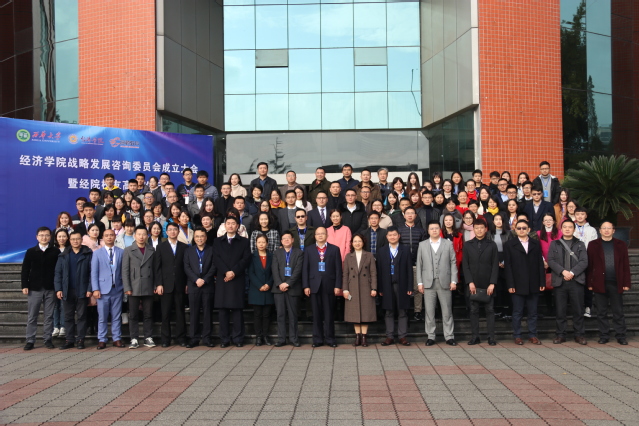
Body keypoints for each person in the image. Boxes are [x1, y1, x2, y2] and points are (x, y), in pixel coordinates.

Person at [587, 222, 630, 345]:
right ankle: (604, 335)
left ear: (613, 230)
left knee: (618, 311)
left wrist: (626, 282)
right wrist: (589, 283)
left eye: (609, 228)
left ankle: (621, 336)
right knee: (601, 312)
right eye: (604, 228)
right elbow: (590, 266)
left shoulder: (621, 244)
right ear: (600, 230)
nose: (606, 230)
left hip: (616, 282)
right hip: (599, 282)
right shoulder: (593, 245)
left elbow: (625, 265)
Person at [416, 221, 458, 346]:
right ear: (428, 231)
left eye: (436, 228)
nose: (434, 230)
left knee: (447, 311)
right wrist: (419, 282)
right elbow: (419, 264)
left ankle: (449, 336)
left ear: (440, 230)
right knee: (429, 311)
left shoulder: (448, 244)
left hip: (445, 281)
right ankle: (431, 336)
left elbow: (453, 262)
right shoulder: (422, 245)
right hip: (428, 282)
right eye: (431, 228)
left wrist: (453, 280)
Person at [547, 219, 588, 345]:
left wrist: (572, 273)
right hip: (560, 281)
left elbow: (584, 261)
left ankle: (579, 334)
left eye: (570, 227)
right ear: (561, 229)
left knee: (578, 310)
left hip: (576, 281)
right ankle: (560, 334)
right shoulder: (555, 244)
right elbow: (551, 260)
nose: (567, 229)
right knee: (560, 310)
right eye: (565, 227)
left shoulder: (580, 244)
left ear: (574, 229)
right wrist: (563, 272)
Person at [504, 219, 545, 345]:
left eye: (524, 228)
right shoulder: (509, 244)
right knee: (517, 312)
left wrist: (542, 282)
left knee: (533, 312)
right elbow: (508, 266)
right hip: (517, 283)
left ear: (528, 230)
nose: (521, 230)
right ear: (515, 230)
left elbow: (540, 264)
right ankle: (517, 335)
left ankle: (532, 335)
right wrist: (510, 284)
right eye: (519, 228)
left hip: (533, 282)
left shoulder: (535, 243)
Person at [212, 216, 252, 347]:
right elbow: (216, 259)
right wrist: (226, 272)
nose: (230, 226)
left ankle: (238, 338)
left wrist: (233, 272)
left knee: (237, 311)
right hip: (223, 279)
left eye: (233, 223)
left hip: (237, 278)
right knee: (223, 311)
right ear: (224, 226)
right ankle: (224, 339)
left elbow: (246, 259)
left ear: (237, 226)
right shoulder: (217, 241)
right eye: (228, 223)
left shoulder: (244, 242)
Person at [122, 225, 161, 349]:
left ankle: (148, 337)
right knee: (133, 314)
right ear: (134, 236)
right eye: (139, 234)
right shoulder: (128, 250)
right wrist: (127, 287)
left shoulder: (151, 250)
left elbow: (155, 269)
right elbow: (125, 271)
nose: (141, 237)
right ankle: (134, 338)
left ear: (147, 236)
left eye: (144, 234)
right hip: (133, 286)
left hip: (148, 284)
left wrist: (155, 285)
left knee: (148, 314)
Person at [303, 227, 342, 347]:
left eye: (322, 233)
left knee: (329, 314)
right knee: (316, 314)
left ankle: (330, 339)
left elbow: (338, 269)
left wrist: (338, 285)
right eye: (318, 234)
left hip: (329, 285)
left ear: (327, 235)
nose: (320, 236)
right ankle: (317, 339)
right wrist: (306, 285)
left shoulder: (334, 249)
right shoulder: (309, 249)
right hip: (314, 285)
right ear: (314, 236)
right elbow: (305, 269)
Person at [22, 227, 59, 350]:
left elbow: (58, 270)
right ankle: (30, 340)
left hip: (50, 287)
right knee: (32, 316)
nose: (44, 237)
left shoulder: (55, 251)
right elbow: (25, 269)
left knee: (49, 315)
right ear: (37, 237)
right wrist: (24, 285)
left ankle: (47, 339)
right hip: (34, 288)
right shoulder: (31, 251)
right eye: (41, 235)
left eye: (47, 235)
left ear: (50, 237)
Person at [462, 219, 499, 345]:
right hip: (473, 283)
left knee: (490, 310)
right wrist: (469, 282)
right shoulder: (468, 245)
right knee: (473, 311)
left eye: (481, 228)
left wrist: (492, 283)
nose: (479, 230)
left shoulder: (492, 245)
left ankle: (491, 337)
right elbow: (465, 265)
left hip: (488, 283)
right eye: (476, 228)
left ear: (486, 229)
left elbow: (495, 265)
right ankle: (475, 336)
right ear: (473, 229)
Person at [54, 231, 93, 350]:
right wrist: (58, 289)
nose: (75, 241)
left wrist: (89, 288)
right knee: (68, 317)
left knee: (82, 316)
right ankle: (69, 340)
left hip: (82, 290)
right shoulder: (64, 255)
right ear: (69, 241)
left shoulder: (88, 254)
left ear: (81, 240)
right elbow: (58, 273)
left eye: (77, 239)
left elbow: (92, 273)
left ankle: (80, 340)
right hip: (67, 290)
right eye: (73, 239)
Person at [377, 226, 412, 346]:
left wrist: (410, 286)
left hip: (402, 285)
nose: (392, 237)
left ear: (399, 236)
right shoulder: (381, 251)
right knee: (388, 311)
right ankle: (389, 336)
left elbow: (409, 270)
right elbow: (379, 271)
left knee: (402, 311)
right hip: (387, 285)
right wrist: (380, 288)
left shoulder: (405, 250)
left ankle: (402, 336)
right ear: (387, 237)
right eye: (390, 235)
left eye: (394, 235)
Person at [91, 229, 126, 349]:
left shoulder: (121, 252)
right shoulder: (97, 253)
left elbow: (124, 270)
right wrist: (95, 289)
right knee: (102, 317)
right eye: (106, 235)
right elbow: (94, 273)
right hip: (102, 289)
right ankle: (102, 339)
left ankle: (117, 338)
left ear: (115, 237)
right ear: (103, 238)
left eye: (111, 235)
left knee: (116, 316)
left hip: (117, 288)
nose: (109, 237)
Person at [342, 234, 377, 347]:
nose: (357, 243)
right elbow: (345, 274)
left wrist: (374, 288)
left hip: (366, 287)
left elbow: (373, 273)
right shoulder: (348, 256)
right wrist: (345, 289)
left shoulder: (369, 255)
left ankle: (364, 337)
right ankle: (357, 336)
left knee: (365, 313)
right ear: (352, 243)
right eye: (355, 241)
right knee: (354, 313)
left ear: (363, 242)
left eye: (359, 241)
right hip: (352, 287)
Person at [184, 226, 216, 348]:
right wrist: (196, 279)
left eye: (202, 236)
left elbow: (214, 266)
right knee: (194, 313)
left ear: (206, 237)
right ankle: (194, 338)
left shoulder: (212, 250)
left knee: (208, 312)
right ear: (194, 238)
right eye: (197, 236)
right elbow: (187, 267)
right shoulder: (189, 251)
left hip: (207, 285)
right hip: (194, 285)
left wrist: (205, 279)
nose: (199, 238)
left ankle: (207, 338)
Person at [272, 231, 304, 347]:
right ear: (281, 241)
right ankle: (281, 339)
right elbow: (274, 269)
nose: (286, 240)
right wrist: (280, 283)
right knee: (280, 315)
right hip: (279, 289)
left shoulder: (299, 253)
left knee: (293, 315)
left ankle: (293, 338)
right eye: (284, 238)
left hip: (293, 288)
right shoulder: (277, 253)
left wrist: (288, 283)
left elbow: (298, 270)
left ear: (292, 240)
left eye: (288, 238)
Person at [248, 234, 275, 346]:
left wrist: (268, 284)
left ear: (267, 243)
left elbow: (274, 272)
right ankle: (258, 337)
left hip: (268, 289)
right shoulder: (252, 257)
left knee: (266, 315)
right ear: (256, 243)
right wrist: (259, 285)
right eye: (259, 242)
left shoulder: (272, 256)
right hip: (256, 290)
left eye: (263, 242)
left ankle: (265, 336)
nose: (261, 244)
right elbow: (250, 273)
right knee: (257, 315)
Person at [574, 207, 598, 317]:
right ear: (574, 215)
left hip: (588, 260)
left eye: (582, 214)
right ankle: (577, 309)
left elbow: (594, 246)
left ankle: (588, 307)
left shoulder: (591, 230)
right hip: (573, 261)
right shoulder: (571, 227)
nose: (580, 216)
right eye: (578, 214)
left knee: (587, 284)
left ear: (586, 215)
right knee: (575, 286)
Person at [491, 212, 512, 320]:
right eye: (496, 219)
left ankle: (507, 310)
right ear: (493, 222)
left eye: (500, 219)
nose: (498, 221)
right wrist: (496, 262)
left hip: (506, 261)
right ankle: (497, 310)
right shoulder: (489, 234)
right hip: (493, 261)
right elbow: (488, 249)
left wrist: (504, 261)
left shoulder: (508, 233)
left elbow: (511, 249)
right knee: (497, 287)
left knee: (506, 286)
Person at [51, 229, 69, 338]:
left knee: (63, 305)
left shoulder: (69, 250)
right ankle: (55, 326)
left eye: (64, 236)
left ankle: (63, 326)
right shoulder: (52, 250)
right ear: (56, 238)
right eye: (59, 236)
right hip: (53, 281)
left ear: (67, 237)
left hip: (65, 281)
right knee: (55, 306)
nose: (61, 239)